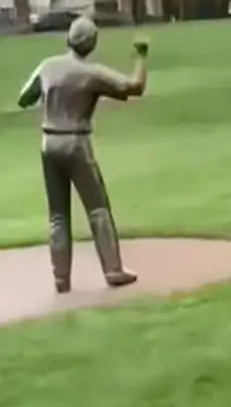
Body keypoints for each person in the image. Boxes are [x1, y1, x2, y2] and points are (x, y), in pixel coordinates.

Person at [17, 16, 149, 293]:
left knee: (57, 215)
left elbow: (23, 98)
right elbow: (134, 86)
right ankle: (113, 269)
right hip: (76, 143)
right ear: (91, 45)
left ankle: (61, 278)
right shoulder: (92, 74)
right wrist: (141, 57)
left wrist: (50, 95)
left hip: (49, 141)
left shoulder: (48, 65)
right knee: (97, 208)